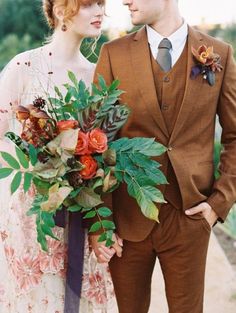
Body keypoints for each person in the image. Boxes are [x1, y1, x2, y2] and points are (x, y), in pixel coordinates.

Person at [90, 0, 236, 312]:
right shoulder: (113, 54)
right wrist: (102, 223)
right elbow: (95, 142)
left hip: (190, 217)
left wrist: (217, 204)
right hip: (126, 222)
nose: (125, 1)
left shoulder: (219, 52)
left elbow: (235, 137)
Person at [0, 1, 117, 313]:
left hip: (78, 220)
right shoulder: (24, 68)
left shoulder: (97, 77)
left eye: (102, 4)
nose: (99, 12)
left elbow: (106, 156)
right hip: (32, 223)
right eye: (90, 4)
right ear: (63, 9)